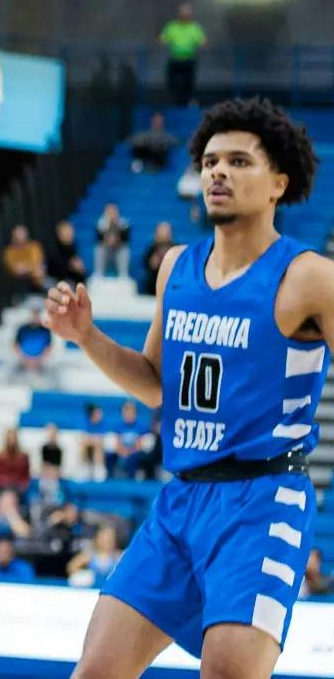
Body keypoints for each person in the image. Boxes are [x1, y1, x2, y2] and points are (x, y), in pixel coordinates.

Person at [44, 97, 331, 678]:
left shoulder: (309, 277)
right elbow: (157, 388)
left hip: (262, 500)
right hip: (180, 502)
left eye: (239, 162)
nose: (217, 172)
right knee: (94, 672)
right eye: (209, 161)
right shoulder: (176, 265)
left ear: (279, 182)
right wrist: (86, 336)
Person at [158, 3, 207, 106]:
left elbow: (202, 42)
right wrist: (161, 41)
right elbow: (163, 39)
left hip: (189, 60)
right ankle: (171, 102)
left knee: (188, 84)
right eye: (183, 13)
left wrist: (203, 44)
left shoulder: (194, 28)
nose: (185, 15)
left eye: (187, 13)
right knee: (171, 83)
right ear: (179, 14)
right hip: (175, 59)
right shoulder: (172, 26)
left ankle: (186, 103)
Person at [2, 225, 47, 296]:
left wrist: (25, 267)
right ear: (13, 236)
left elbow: (37, 264)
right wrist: (31, 268)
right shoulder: (9, 251)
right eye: (18, 234)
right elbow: (16, 270)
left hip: (38, 282)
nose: (21, 236)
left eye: (22, 234)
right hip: (18, 287)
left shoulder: (34, 246)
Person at [14, 311, 55, 381]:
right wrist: (25, 358)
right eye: (33, 314)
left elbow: (49, 347)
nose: (35, 317)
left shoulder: (46, 331)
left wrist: (39, 359)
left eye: (37, 314)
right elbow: (15, 345)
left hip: (40, 362)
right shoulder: (22, 329)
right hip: (24, 361)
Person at [46, 220, 89, 286]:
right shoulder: (53, 249)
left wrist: (81, 269)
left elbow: (77, 269)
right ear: (59, 234)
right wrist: (70, 265)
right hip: (56, 279)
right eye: (66, 232)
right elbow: (55, 270)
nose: (69, 234)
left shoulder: (73, 247)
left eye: (70, 232)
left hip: (70, 278)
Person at [94, 203, 131, 278]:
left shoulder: (124, 223)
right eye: (109, 211)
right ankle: (98, 274)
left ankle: (123, 275)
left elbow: (126, 240)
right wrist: (108, 236)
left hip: (118, 252)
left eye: (114, 211)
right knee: (99, 249)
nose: (112, 214)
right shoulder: (100, 224)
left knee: (125, 249)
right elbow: (99, 240)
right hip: (106, 252)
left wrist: (115, 235)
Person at [141, 222, 176, 297]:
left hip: (171, 286)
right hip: (153, 287)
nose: (163, 234)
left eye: (166, 231)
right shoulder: (151, 249)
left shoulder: (176, 249)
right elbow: (147, 266)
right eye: (161, 231)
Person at [0, 428, 31, 495]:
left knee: (13, 492)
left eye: (13, 438)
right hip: (2, 487)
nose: (12, 441)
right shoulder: (0, 456)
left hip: (18, 488)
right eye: (9, 439)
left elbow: (26, 475)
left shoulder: (24, 456)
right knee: (7, 492)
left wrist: (23, 485)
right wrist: (4, 483)